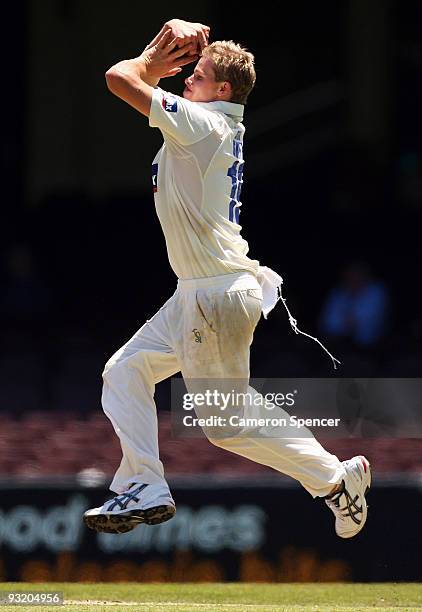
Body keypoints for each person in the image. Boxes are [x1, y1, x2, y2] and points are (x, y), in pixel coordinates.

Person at [83, 19, 371, 539]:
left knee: (226, 424)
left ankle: (333, 478)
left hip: (214, 293)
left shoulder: (206, 125)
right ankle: (145, 484)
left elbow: (117, 78)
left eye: (198, 72)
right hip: (197, 292)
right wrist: (159, 65)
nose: (187, 76)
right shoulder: (204, 122)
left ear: (223, 90)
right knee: (123, 373)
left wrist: (152, 55)